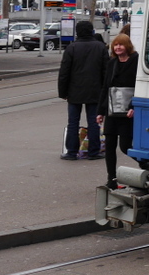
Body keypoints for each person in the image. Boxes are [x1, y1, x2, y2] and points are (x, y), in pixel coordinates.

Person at [96, 33, 142, 188]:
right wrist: (100, 111)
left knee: (125, 146)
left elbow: (140, 87)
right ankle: (112, 179)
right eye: (115, 45)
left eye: (121, 44)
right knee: (109, 146)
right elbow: (105, 88)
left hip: (127, 111)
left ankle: (145, 165)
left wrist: (134, 106)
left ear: (127, 46)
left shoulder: (136, 61)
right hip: (112, 110)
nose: (117, 47)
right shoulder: (112, 63)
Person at [58, 20, 107, 161]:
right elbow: (106, 72)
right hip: (95, 91)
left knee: (73, 122)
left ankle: (71, 152)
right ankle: (93, 151)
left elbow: (64, 72)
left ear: (77, 32)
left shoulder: (71, 48)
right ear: (92, 31)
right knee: (94, 121)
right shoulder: (100, 47)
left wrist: (63, 92)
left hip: (74, 91)